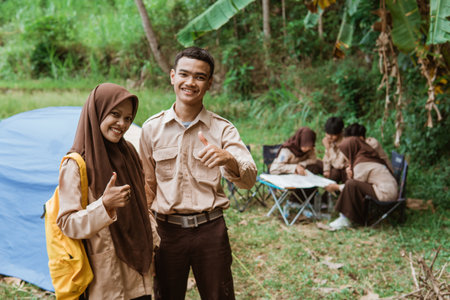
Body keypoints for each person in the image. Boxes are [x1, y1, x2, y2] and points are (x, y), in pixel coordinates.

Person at [139, 47, 257, 300]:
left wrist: (229, 159)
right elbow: (146, 187)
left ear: (209, 83)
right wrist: (148, 236)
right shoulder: (151, 129)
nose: (190, 82)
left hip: (210, 231)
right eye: (184, 74)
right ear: (173, 76)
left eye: (200, 77)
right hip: (166, 232)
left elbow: (249, 180)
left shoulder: (223, 129)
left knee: (219, 295)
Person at [57, 83, 159, 299]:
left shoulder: (129, 152)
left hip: (139, 269)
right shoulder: (75, 164)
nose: (121, 124)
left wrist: (155, 238)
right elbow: (67, 223)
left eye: (128, 118)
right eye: (115, 114)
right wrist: (103, 206)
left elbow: (141, 205)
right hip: (107, 277)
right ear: (97, 112)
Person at [325, 137, 398, 229]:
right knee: (351, 183)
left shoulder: (361, 164)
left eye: (345, 153)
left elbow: (352, 186)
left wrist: (336, 187)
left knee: (351, 184)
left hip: (385, 194)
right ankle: (348, 216)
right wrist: (350, 176)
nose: (345, 157)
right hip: (388, 190)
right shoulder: (367, 156)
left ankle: (345, 218)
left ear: (351, 151)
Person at [321, 117, 347, 183]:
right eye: (327, 133)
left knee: (335, 173)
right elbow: (326, 157)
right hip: (334, 165)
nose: (329, 136)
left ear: (340, 133)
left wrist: (328, 148)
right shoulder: (330, 140)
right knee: (315, 164)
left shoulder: (345, 142)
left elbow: (338, 165)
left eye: (332, 134)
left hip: (343, 169)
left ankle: (332, 191)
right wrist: (326, 170)